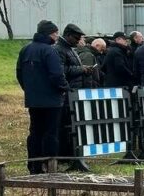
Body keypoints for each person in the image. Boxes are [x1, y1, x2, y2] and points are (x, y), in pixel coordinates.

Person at [16, 20, 70, 174]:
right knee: (51, 134)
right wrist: (64, 88)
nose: (57, 36)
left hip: (33, 100)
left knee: (35, 132)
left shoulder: (25, 49)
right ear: (49, 34)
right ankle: (50, 165)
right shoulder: (50, 51)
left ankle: (34, 165)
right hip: (52, 101)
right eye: (55, 33)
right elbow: (57, 75)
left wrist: (29, 90)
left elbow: (19, 73)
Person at [55, 23, 94, 162]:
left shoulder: (70, 49)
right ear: (68, 35)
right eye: (76, 38)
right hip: (67, 93)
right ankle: (64, 155)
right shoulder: (60, 50)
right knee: (64, 126)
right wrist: (81, 69)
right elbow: (62, 71)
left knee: (72, 125)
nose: (78, 41)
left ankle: (71, 153)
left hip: (74, 92)